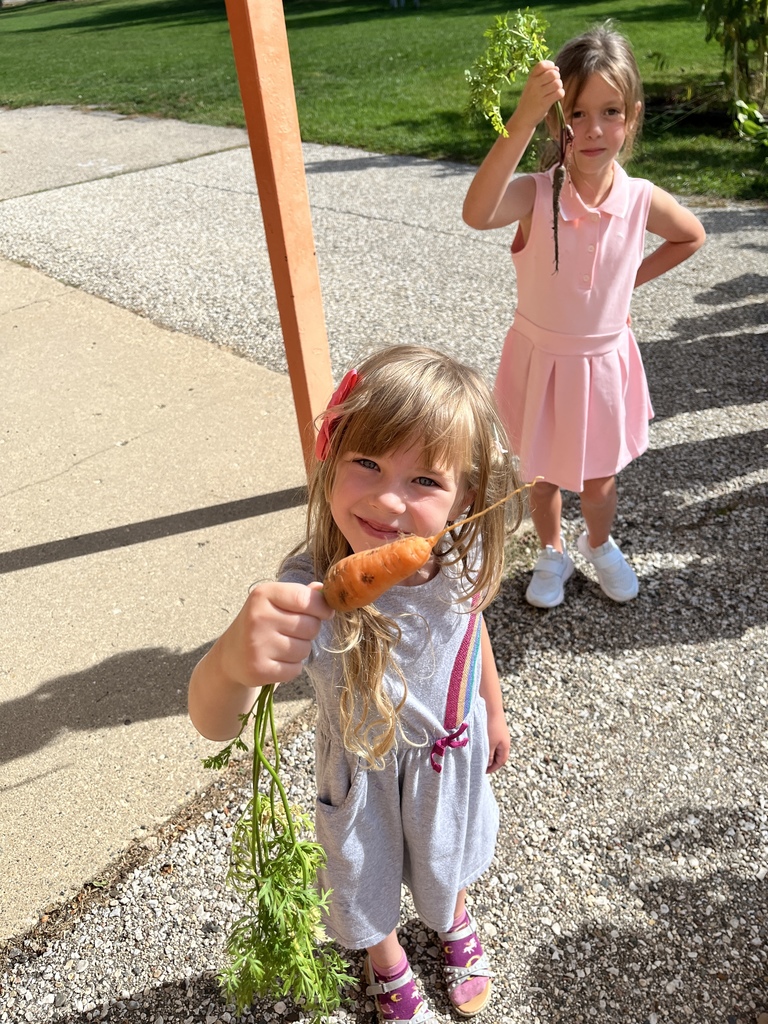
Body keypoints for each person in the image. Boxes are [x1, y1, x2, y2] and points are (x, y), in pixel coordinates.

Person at [188, 345, 523, 1020]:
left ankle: (451, 920)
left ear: (466, 495)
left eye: (425, 480)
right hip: (362, 773)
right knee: (362, 879)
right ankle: (386, 958)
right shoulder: (304, 590)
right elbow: (215, 722)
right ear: (330, 460)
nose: (387, 498)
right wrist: (230, 662)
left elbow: (471, 630)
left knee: (445, 853)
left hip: (446, 758)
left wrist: (492, 706)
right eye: (366, 462)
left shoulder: (462, 555)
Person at [462, 25, 706, 609]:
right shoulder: (536, 194)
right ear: (556, 121)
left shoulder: (642, 197)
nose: (594, 129)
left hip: (601, 364)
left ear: (632, 116)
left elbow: (691, 236)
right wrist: (520, 118)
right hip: (541, 358)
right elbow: (476, 212)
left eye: (611, 111)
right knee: (543, 473)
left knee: (599, 479)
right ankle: (552, 549)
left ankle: (598, 542)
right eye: (577, 112)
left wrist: (628, 283)